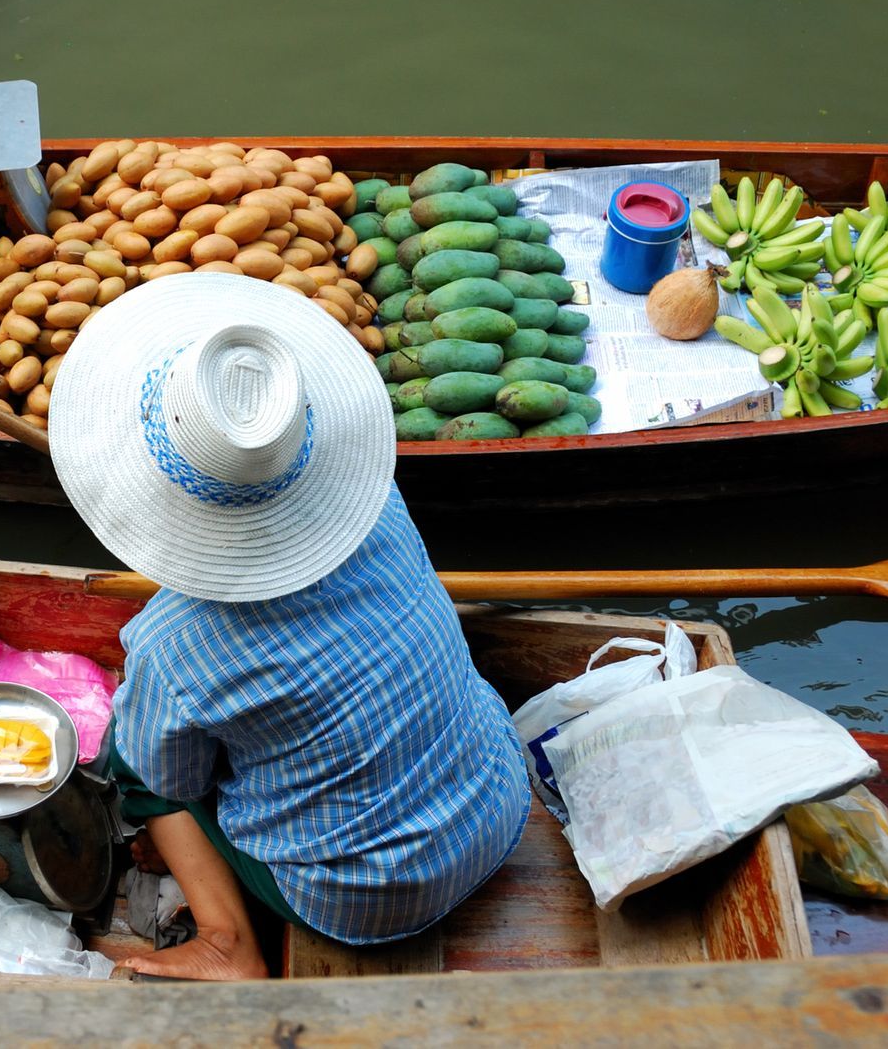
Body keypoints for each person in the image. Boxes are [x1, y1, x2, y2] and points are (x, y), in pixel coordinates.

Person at [47, 272, 532, 980]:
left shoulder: (172, 648)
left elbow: (170, 778)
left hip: (364, 899)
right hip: (496, 802)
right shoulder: (379, 504)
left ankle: (225, 939)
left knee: (134, 752)